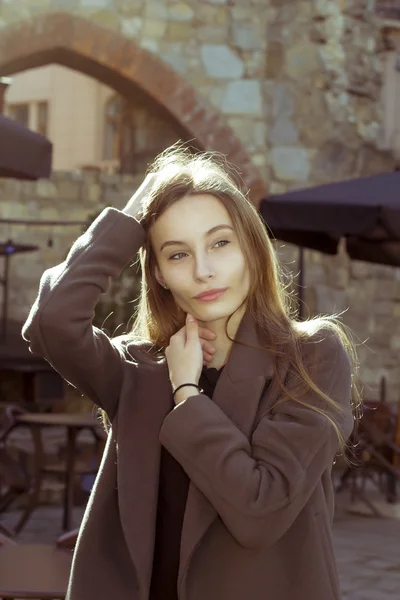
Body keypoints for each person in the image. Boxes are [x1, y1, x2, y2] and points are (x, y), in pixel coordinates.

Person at [22, 145, 359, 600]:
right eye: (177, 255)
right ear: (158, 272)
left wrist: (187, 393)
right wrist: (132, 215)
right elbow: (52, 321)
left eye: (220, 243)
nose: (204, 271)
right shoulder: (135, 368)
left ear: (251, 250)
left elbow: (260, 510)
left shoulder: (311, 355)